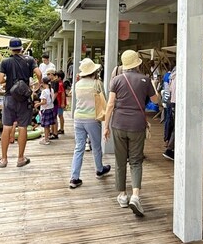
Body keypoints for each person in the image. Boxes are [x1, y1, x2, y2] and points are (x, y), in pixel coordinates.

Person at [103, 49, 158, 217]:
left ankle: (122, 195)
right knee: (136, 161)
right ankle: (135, 195)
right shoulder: (145, 79)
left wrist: (106, 126)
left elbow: (110, 104)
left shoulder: (116, 80)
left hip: (118, 124)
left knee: (120, 161)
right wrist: (150, 87)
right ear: (137, 63)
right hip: (137, 125)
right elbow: (155, 101)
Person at [0, 38, 41, 168]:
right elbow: (39, 73)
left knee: (7, 127)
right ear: (21, 48)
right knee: (22, 128)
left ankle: (4, 159)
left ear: (10, 49)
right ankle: (20, 158)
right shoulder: (30, 60)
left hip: (9, 97)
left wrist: (9, 80)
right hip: (24, 98)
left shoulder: (5, 62)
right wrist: (38, 85)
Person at [69, 57, 111, 189]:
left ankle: (74, 177)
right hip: (92, 118)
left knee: (79, 147)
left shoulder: (77, 84)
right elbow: (104, 99)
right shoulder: (97, 83)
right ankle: (99, 169)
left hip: (78, 118)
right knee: (96, 146)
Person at [162, 67, 176, 161]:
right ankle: (170, 149)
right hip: (177, 102)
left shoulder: (172, 76)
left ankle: (168, 141)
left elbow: (168, 89)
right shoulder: (181, 76)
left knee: (171, 123)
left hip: (171, 101)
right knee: (177, 127)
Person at [38, 76, 55, 145]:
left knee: (45, 126)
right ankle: (47, 138)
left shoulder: (44, 91)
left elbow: (44, 102)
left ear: (43, 83)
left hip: (45, 109)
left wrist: (38, 104)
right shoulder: (51, 90)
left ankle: (46, 139)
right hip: (50, 108)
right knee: (48, 125)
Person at [56, 70, 67, 135]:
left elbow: (63, 94)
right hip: (59, 102)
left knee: (60, 116)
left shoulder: (60, 84)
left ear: (59, 77)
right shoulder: (60, 83)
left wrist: (62, 103)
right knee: (60, 115)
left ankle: (62, 129)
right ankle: (61, 128)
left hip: (60, 103)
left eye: (56, 76)